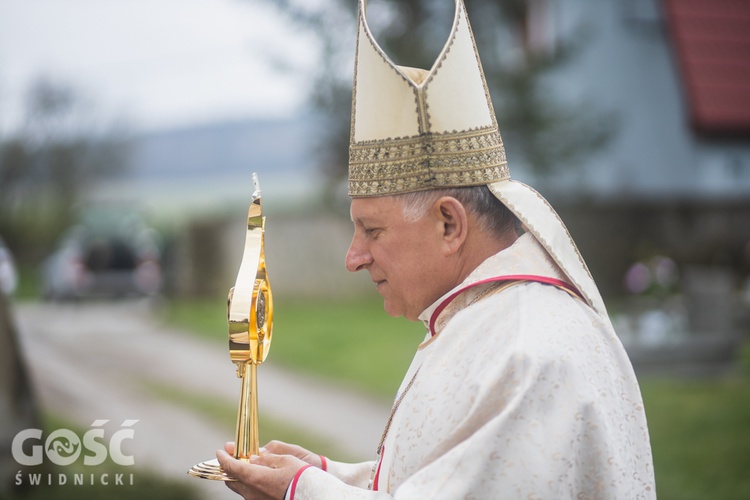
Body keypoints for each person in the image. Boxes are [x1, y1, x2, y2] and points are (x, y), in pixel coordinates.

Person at [216, 0, 656, 498]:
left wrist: (302, 492)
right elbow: (453, 477)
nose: (353, 257)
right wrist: (325, 474)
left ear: (450, 223)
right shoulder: (487, 320)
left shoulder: (528, 354)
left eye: (372, 231)